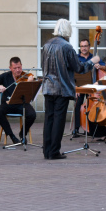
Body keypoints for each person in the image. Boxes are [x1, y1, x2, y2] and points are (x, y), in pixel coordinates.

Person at [41, 19, 99, 160]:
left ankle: (47, 151)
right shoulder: (67, 47)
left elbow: (43, 66)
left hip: (48, 87)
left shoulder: (46, 45)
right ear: (67, 31)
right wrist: (92, 61)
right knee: (58, 121)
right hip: (62, 89)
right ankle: (54, 152)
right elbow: (79, 68)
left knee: (48, 120)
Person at [0, 56, 37, 144]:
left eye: (19, 67)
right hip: (8, 104)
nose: (18, 70)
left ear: (21, 66)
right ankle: (11, 136)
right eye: (15, 68)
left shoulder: (26, 76)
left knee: (32, 114)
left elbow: (33, 89)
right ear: (10, 68)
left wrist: (31, 83)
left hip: (22, 104)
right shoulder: (6, 76)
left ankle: (22, 134)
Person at [72, 38, 95, 137]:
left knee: (91, 107)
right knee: (78, 105)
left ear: (89, 47)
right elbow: (71, 74)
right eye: (82, 46)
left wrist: (99, 66)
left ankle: (90, 129)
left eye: (85, 46)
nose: (84, 48)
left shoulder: (94, 57)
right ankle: (76, 129)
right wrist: (75, 87)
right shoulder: (76, 58)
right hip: (79, 87)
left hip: (91, 87)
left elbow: (104, 67)